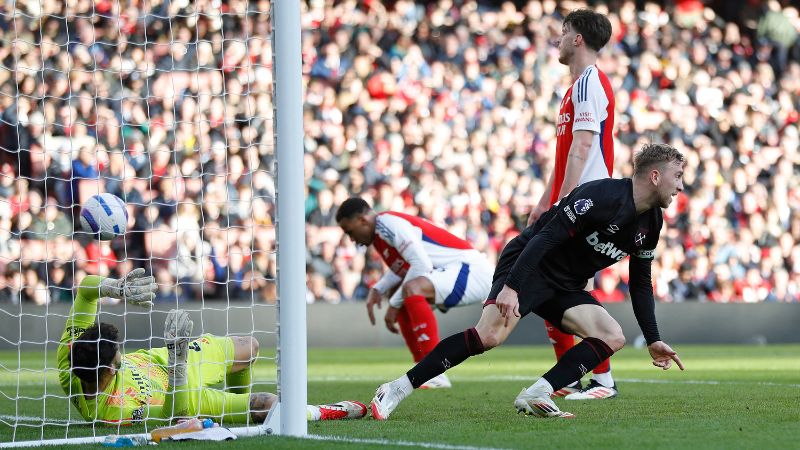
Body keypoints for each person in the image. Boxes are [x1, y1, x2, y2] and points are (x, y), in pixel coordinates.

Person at [370, 143, 686, 420]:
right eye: (677, 176)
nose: (681, 186)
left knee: (611, 335)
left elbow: (640, 283)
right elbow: (546, 235)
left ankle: (536, 394)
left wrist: (652, 338)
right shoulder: (601, 195)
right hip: (530, 264)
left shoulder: (652, 224)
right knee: (488, 336)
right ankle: (394, 389)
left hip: (566, 283)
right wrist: (512, 286)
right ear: (655, 176)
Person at [59, 268, 366, 424]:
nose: (123, 358)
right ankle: (324, 412)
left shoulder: (71, 353)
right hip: (183, 393)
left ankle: (239, 413)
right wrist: (179, 367)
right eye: (119, 359)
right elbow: (170, 415)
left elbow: (85, 291)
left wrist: (116, 288)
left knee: (251, 346)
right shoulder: (111, 412)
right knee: (268, 406)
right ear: (109, 371)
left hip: (167, 357)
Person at [527, 8, 618, 400]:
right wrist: (545, 201)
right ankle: (582, 377)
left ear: (578, 38)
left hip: (588, 202)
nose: (559, 39)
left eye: (564, 32)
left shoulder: (588, 83)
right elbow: (566, 153)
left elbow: (583, 146)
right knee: (559, 286)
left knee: (559, 285)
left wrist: (563, 204)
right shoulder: (574, 89)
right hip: (579, 200)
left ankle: (601, 380)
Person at [336, 198, 494, 389]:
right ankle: (422, 369)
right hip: (456, 270)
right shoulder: (378, 235)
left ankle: (435, 373)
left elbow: (421, 265)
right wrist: (379, 288)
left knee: (410, 289)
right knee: (403, 292)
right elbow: (403, 268)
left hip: (471, 271)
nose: (352, 239)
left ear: (362, 220)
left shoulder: (386, 224)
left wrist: (393, 305)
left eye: (349, 231)